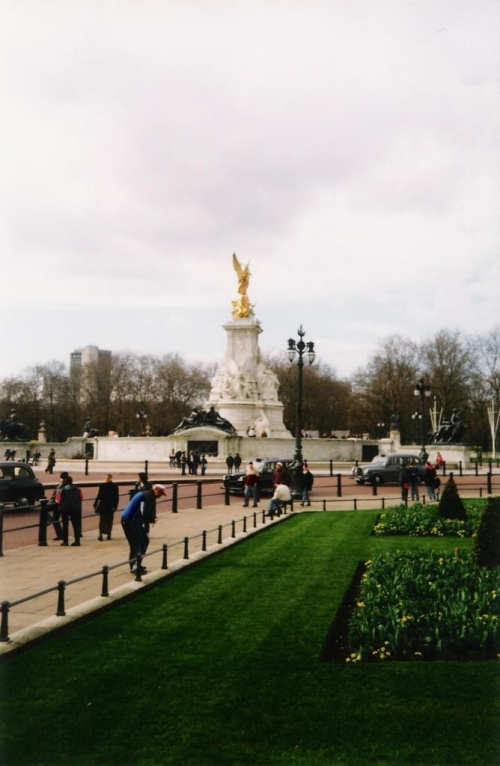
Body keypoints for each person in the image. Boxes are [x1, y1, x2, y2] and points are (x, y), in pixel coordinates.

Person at [121, 484, 166, 574]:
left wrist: (152, 518)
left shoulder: (147, 494)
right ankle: (135, 567)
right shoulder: (148, 496)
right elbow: (144, 511)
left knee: (142, 542)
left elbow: (145, 511)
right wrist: (151, 519)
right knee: (139, 543)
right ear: (156, 491)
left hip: (131, 520)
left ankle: (135, 564)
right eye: (160, 493)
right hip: (130, 521)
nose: (160, 496)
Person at [57, 476, 83, 546]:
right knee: (75, 525)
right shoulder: (77, 489)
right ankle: (77, 541)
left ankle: (65, 541)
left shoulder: (63, 489)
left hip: (65, 508)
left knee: (65, 525)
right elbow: (81, 497)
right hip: (75, 508)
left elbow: (59, 498)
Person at [94, 474, 119, 540]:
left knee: (109, 520)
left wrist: (115, 506)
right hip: (104, 505)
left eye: (107, 478)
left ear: (111, 478)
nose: (106, 479)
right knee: (102, 520)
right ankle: (101, 534)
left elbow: (116, 497)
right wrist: (95, 503)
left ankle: (108, 534)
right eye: (105, 478)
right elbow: (99, 495)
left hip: (110, 506)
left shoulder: (114, 486)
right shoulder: (102, 486)